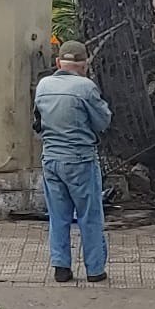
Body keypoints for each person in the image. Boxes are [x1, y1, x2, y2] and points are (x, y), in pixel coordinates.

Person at [33, 41, 113, 283]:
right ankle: (95, 270)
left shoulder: (43, 86)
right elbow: (103, 122)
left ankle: (61, 268)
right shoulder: (86, 87)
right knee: (89, 215)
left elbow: (37, 122)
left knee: (58, 216)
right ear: (85, 64)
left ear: (58, 63)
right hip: (80, 160)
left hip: (51, 159)